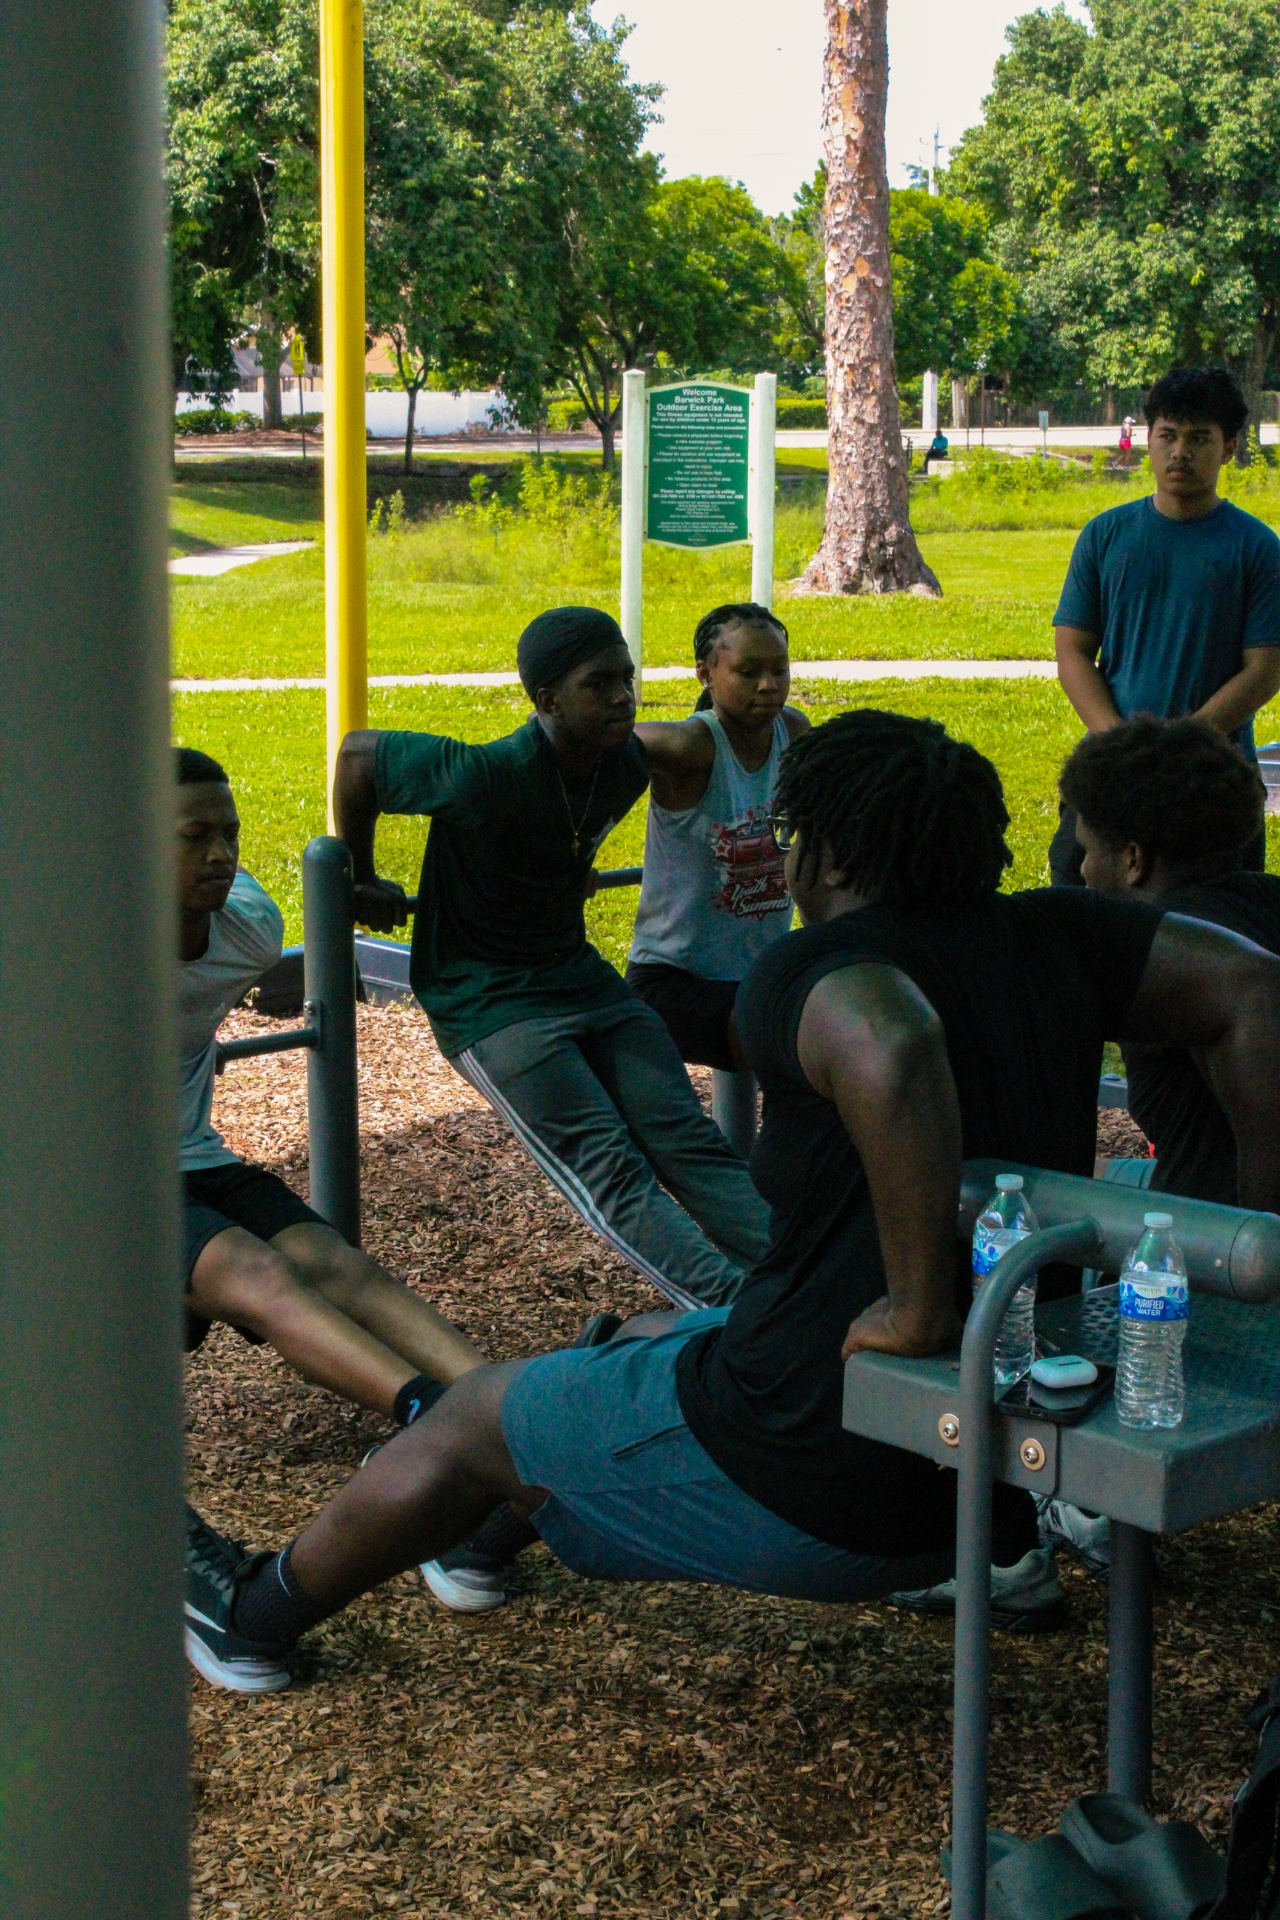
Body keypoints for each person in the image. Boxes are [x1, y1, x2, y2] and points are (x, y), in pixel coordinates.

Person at [183, 710, 1280, 1691]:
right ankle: (475, 1544)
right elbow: (1248, 987)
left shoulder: (814, 974)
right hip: (981, 1477)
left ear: (831, 850)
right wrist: (1259, 1230)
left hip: (822, 1466)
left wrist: (913, 1310)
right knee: (651, 1335)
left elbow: (890, 1045)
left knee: (472, 1415)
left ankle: (252, 1616)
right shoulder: (1058, 933)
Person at [332, 606, 773, 1315]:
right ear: (547, 701)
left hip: (580, 980)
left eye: (627, 679)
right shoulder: (483, 775)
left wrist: (568, 868)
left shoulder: (624, 764)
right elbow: (358, 755)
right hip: (491, 1000)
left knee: (690, 1142)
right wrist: (357, 870)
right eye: (599, 685)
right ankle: (745, 1315)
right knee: (611, 1172)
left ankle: (800, 1282)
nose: (625, 698)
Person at [176, 749, 491, 1684]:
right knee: (253, 1272)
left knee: (335, 1261)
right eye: (195, 835)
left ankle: (502, 1406)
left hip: (194, 1158)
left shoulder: (247, 930)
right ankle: (435, 1419)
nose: (220, 853)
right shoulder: (68, 944)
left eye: (228, 833)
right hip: (93, 1178)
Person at [1051, 366, 1280, 885]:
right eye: (1168, 436)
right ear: (1147, 440)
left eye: (1200, 438)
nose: (1181, 452)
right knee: (1079, 918)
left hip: (1214, 779)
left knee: (1218, 927)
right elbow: (1073, 652)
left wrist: (1177, 746)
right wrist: (1121, 745)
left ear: (1228, 448)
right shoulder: (1105, 536)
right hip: (1111, 772)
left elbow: (1264, 671)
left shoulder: (1257, 548)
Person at [1061, 715, 1279, 1204]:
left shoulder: (1172, 963)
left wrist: (1254, 1261)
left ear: (1134, 860)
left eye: (1089, 851)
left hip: (1210, 1244)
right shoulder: (1265, 901)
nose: (1081, 870)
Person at [626, 603, 809, 1070]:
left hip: (762, 972)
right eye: (748, 672)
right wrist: (571, 852)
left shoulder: (793, 731)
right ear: (705, 674)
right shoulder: (691, 745)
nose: (769, 685)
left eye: (779, 669)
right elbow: (590, 743)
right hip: (673, 980)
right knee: (787, 1045)